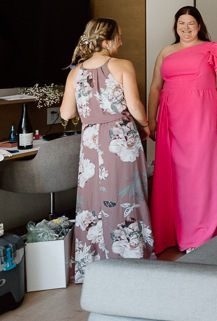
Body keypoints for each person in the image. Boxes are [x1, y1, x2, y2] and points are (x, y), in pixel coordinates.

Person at [59, 18, 155, 283]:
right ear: (105, 41)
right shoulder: (123, 65)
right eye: (119, 37)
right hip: (119, 137)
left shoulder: (74, 72)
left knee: (93, 199)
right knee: (126, 194)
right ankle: (130, 257)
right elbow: (134, 106)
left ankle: (94, 263)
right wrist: (146, 126)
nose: (121, 42)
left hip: (91, 140)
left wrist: (91, 111)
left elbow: (67, 112)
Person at [148, 6, 217, 253]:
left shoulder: (212, 49)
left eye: (191, 24)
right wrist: (150, 120)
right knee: (172, 175)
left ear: (199, 25)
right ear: (176, 26)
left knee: (198, 175)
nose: (186, 28)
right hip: (170, 118)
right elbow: (155, 87)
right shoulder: (166, 51)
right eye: (181, 24)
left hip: (202, 116)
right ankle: (172, 232)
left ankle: (200, 233)